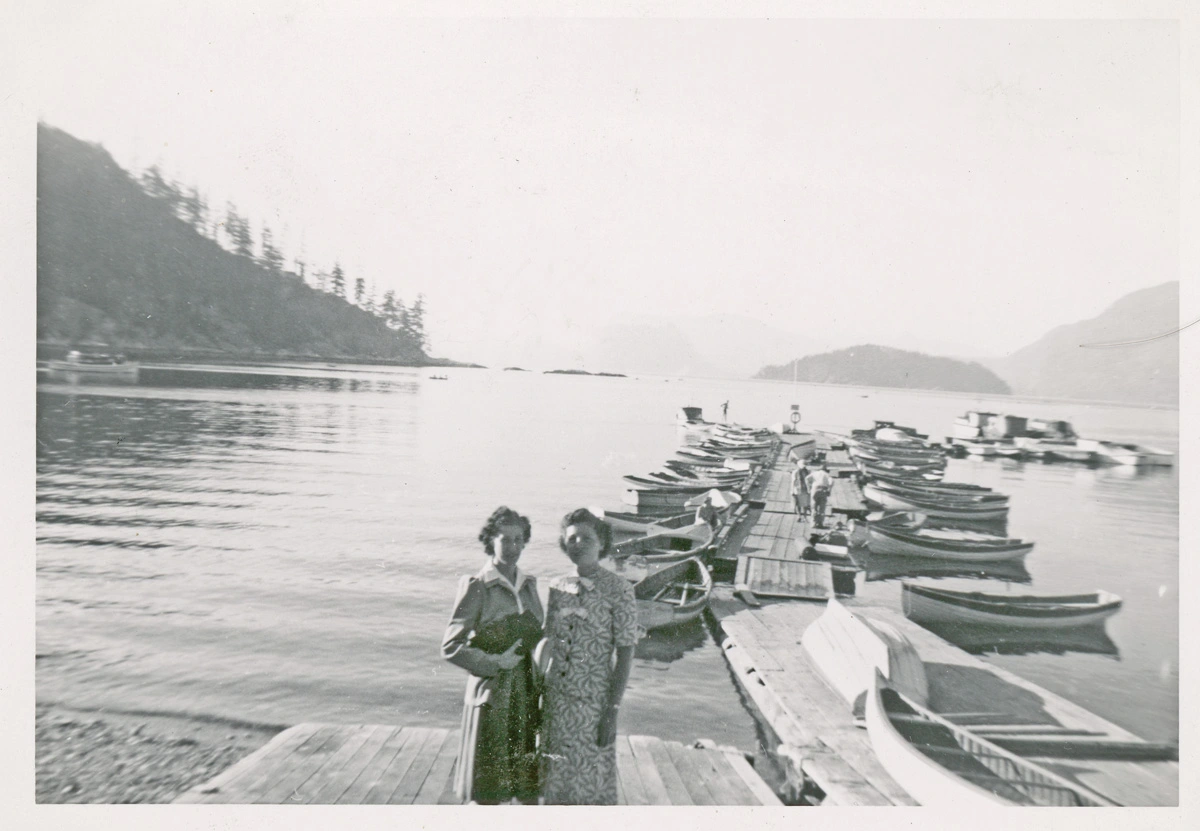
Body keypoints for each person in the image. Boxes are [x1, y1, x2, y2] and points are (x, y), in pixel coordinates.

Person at [441, 506, 544, 804]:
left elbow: (537, 634)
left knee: (521, 785)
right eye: (505, 539)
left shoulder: (529, 584)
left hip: (525, 692)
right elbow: (450, 646)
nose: (512, 547)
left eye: (518, 539)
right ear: (491, 541)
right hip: (492, 693)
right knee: (487, 790)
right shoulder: (477, 586)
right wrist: (493, 663)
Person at [539, 508, 640, 805]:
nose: (579, 543)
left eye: (587, 537)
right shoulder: (556, 587)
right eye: (572, 538)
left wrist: (613, 709)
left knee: (590, 784)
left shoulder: (620, 589)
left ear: (602, 543)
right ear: (564, 544)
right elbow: (549, 642)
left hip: (594, 705)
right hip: (556, 703)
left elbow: (625, 654)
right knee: (556, 782)